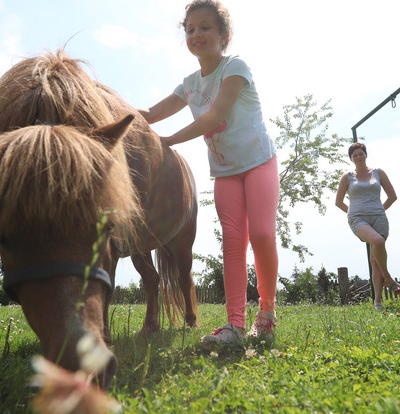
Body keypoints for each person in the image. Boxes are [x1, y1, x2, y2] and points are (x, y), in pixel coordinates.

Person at [139, 0, 279, 343]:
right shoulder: (188, 84)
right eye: (189, 29)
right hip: (226, 173)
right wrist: (106, 108)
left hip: (259, 163)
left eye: (204, 27)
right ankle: (234, 324)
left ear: (224, 35)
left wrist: (169, 141)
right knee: (233, 243)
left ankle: (267, 310)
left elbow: (215, 117)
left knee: (261, 234)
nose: (196, 34)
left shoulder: (236, 67)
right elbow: (151, 113)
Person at [335, 142, 400, 310]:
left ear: (365, 155)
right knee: (378, 241)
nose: (358, 157)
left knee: (375, 261)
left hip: (379, 217)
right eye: (355, 155)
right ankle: (389, 279)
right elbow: (338, 202)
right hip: (357, 218)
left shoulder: (378, 173)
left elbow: (392, 196)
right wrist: (352, 213)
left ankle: (377, 301)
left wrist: (378, 209)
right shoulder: (347, 177)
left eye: (361, 153)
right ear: (351, 159)